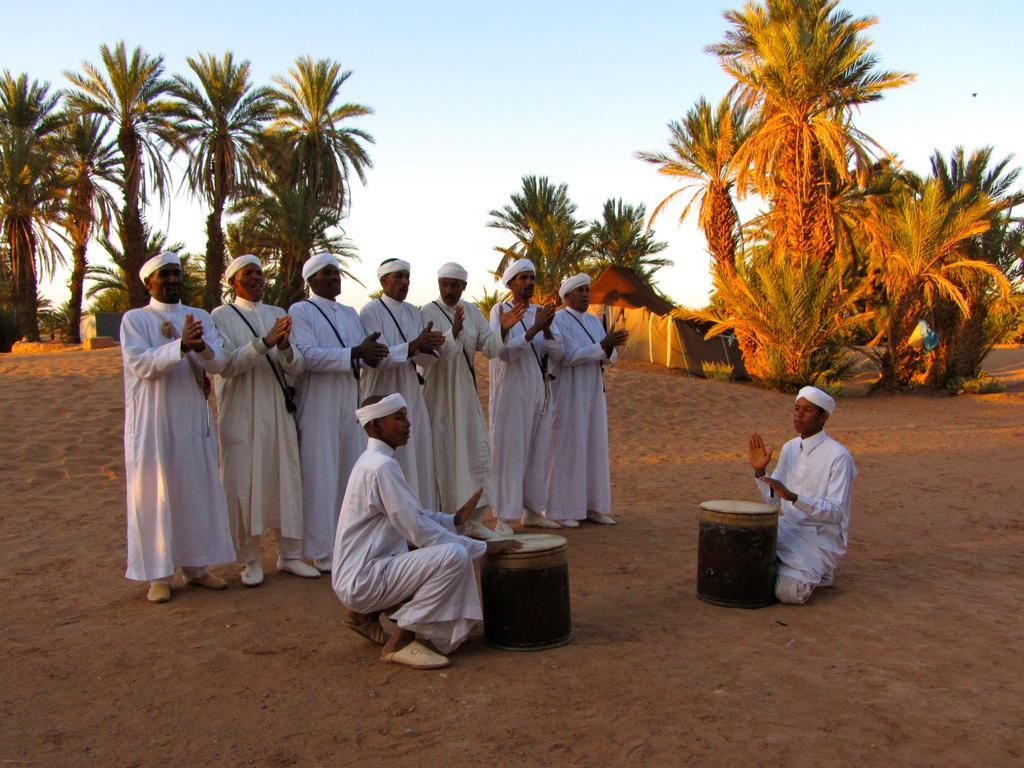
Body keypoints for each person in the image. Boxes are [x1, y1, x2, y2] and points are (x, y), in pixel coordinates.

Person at [332, 394, 521, 669]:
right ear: (375, 427)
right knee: (453, 556)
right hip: (364, 578)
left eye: (406, 416)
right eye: (398, 418)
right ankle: (400, 642)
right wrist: (482, 547)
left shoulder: (372, 462)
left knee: (429, 550)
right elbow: (417, 529)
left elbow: (413, 517)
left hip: (359, 574)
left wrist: (453, 520)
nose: (408, 424)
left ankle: (363, 616)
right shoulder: (381, 467)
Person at [119, 251, 235, 603]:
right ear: (149, 283)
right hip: (153, 423)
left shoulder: (198, 316)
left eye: (176, 274)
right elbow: (141, 364)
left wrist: (200, 347)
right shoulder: (135, 320)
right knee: (156, 492)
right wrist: (181, 345)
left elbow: (221, 362)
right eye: (165, 275)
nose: (172, 280)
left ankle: (197, 567)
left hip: (192, 420)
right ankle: (158, 574)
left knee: (195, 489)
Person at [211, 254, 319, 586]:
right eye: (249, 274)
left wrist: (285, 347)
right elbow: (226, 365)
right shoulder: (221, 317)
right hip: (241, 413)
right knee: (243, 483)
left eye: (260, 273)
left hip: (277, 410)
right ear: (233, 282)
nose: (257, 278)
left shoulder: (277, 314)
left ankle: (289, 556)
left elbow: (296, 366)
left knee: (284, 478)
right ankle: (250, 560)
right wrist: (265, 342)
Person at [288, 253, 390, 572]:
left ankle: (350, 544)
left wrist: (367, 354)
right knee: (321, 473)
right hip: (317, 402)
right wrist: (355, 353)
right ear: (312, 279)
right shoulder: (301, 311)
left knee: (349, 472)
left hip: (349, 401)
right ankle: (320, 551)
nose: (335, 278)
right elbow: (307, 356)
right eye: (327, 273)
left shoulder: (348, 313)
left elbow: (356, 353)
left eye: (337, 272)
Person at [420, 262, 523, 537]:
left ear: (464, 287)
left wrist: (503, 329)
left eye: (455, 285)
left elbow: (491, 349)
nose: (449, 290)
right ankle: (444, 521)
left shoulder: (474, 312)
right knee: (441, 455)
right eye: (445, 284)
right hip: (437, 396)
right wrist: (451, 334)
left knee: (474, 451)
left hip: (466, 396)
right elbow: (422, 358)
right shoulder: (426, 313)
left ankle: (474, 520)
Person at [748, 386, 857, 605]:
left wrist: (795, 498)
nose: (799, 414)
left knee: (789, 593)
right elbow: (773, 498)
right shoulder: (789, 448)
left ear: (823, 416)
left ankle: (817, 570)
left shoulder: (839, 457)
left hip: (818, 538)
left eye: (807, 410)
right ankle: (800, 569)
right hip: (786, 528)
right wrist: (760, 472)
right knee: (744, 557)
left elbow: (835, 513)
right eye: (797, 408)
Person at [359, 259, 449, 508]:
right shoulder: (370, 311)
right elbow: (376, 357)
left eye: (407, 277)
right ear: (383, 281)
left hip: (410, 391)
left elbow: (423, 359)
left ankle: (418, 518)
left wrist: (429, 347)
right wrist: (414, 345)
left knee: (416, 453)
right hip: (381, 393)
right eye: (398, 277)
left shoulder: (413, 312)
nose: (404, 282)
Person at [545, 273, 628, 527]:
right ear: (566, 295)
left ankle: (594, 505)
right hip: (569, 393)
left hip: (592, 391)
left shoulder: (593, 321)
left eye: (586, 290)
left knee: (594, 444)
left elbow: (607, 359)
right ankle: (562, 509)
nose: (585, 294)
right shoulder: (558, 320)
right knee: (568, 447)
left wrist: (611, 345)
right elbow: (567, 356)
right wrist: (604, 344)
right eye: (579, 290)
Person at [488, 259, 564, 531]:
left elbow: (558, 353)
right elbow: (503, 353)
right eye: (523, 277)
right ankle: (503, 516)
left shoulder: (541, 312)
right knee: (511, 451)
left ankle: (532, 510)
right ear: (510, 283)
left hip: (540, 389)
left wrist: (544, 327)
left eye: (532, 277)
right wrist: (532, 330)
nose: (529, 282)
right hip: (512, 390)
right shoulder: (500, 311)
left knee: (538, 450)